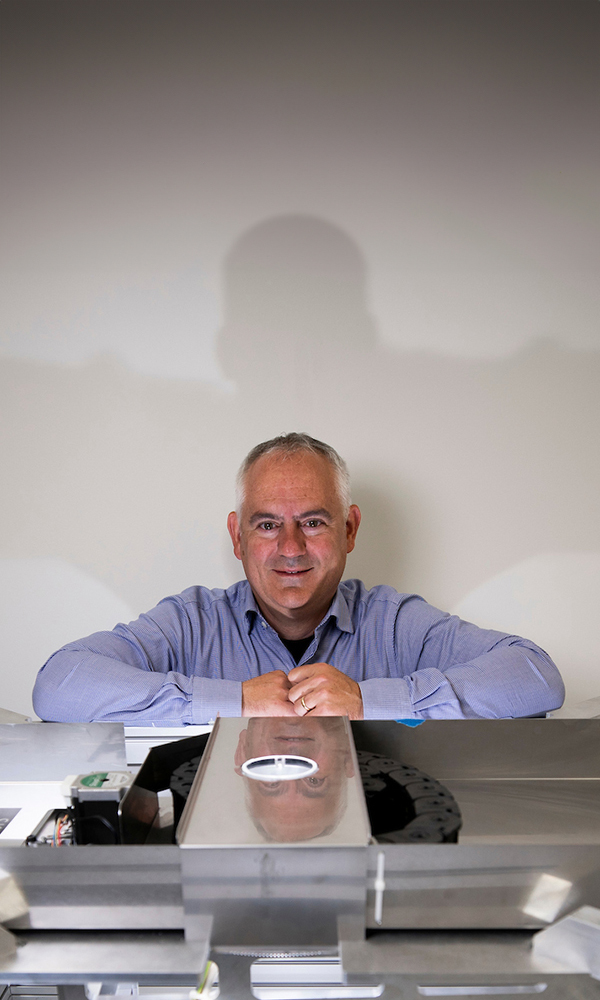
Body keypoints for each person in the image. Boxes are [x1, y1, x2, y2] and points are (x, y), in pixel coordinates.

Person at [32, 433, 565, 724]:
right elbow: (59, 684)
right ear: (237, 538)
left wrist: (368, 701)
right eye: (267, 525)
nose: (290, 548)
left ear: (349, 529)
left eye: (312, 522)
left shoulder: (396, 623)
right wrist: (234, 701)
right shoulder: (191, 623)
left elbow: (535, 676)